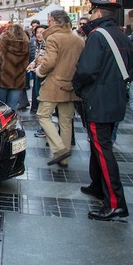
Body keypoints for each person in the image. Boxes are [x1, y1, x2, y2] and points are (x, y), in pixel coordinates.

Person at [73, 0, 133, 221]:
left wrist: (77, 86)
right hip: (114, 99)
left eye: (92, 12)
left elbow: (86, 70)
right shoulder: (121, 36)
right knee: (100, 145)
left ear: (97, 14)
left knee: (102, 149)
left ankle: (116, 203)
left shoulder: (98, 36)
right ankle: (97, 185)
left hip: (98, 100)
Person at [35, 10, 85, 167]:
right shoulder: (78, 40)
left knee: (43, 115)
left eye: (49, 21)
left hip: (54, 84)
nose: (48, 23)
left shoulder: (54, 38)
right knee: (66, 121)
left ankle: (59, 149)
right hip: (71, 85)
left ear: (56, 21)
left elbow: (50, 62)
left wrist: (39, 71)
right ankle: (64, 159)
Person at [0, 23, 30, 110]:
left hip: (2, 80)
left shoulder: (1, 45)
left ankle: (1, 124)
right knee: (12, 109)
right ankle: (11, 123)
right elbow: (26, 63)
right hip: (18, 81)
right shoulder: (25, 46)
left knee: (0, 108)